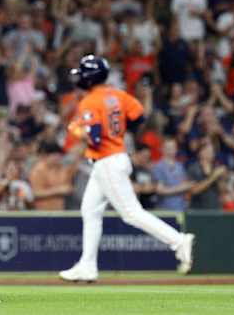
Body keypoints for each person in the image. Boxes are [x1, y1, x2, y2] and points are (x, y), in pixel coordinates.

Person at [59, 54, 195, 283]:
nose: (79, 78)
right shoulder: (117, 95)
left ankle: (179, 240)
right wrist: (117, 130)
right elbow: (139, 117)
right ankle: (87, 266)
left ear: (89, 78)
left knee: (131, 213)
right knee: (90, 210)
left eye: (82, 74)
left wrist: (75, 129)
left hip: (107, 160)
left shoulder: (90, 101)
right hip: (113, 158)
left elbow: (94, 138)